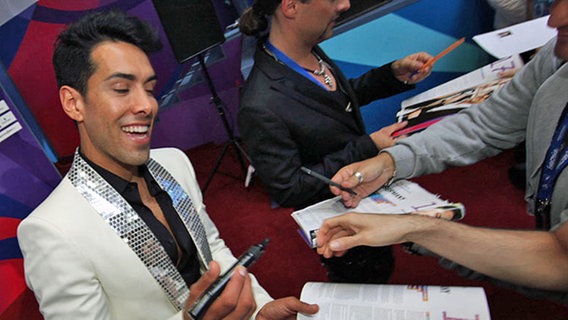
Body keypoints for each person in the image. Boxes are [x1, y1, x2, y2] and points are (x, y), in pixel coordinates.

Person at [16, 10, 318, 320]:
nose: (147, 105)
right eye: (121, 89)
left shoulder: (175, 162)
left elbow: (212, 252)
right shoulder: (50, 230)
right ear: (74, 103)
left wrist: (258, 309)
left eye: (148, 89)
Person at [320, 0, 568, 301]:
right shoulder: (557, 57)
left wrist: (418, 230)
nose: (554, 20)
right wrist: (390, 162)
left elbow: (559, 258)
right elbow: (486, 123)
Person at [236, 0, 432, 284]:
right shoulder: (258, 105)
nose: (345, 4)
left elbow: (335, 103)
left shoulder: (309, 50)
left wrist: (390, 76)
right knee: (365, 284)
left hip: (367, 198)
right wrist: (369, 147)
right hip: (341, 227)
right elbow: (289, 189)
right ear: (291, 6)